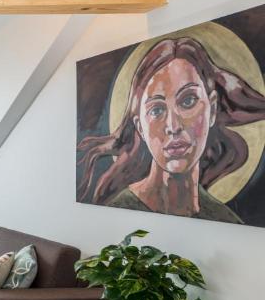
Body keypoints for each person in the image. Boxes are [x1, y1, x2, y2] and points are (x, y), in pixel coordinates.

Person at [78, 36, 265, 223]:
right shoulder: (118, 212)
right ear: (140, 127)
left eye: (188, 101)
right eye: (157, 110)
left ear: (213, 110)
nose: (173, 127)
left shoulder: (226, 220)